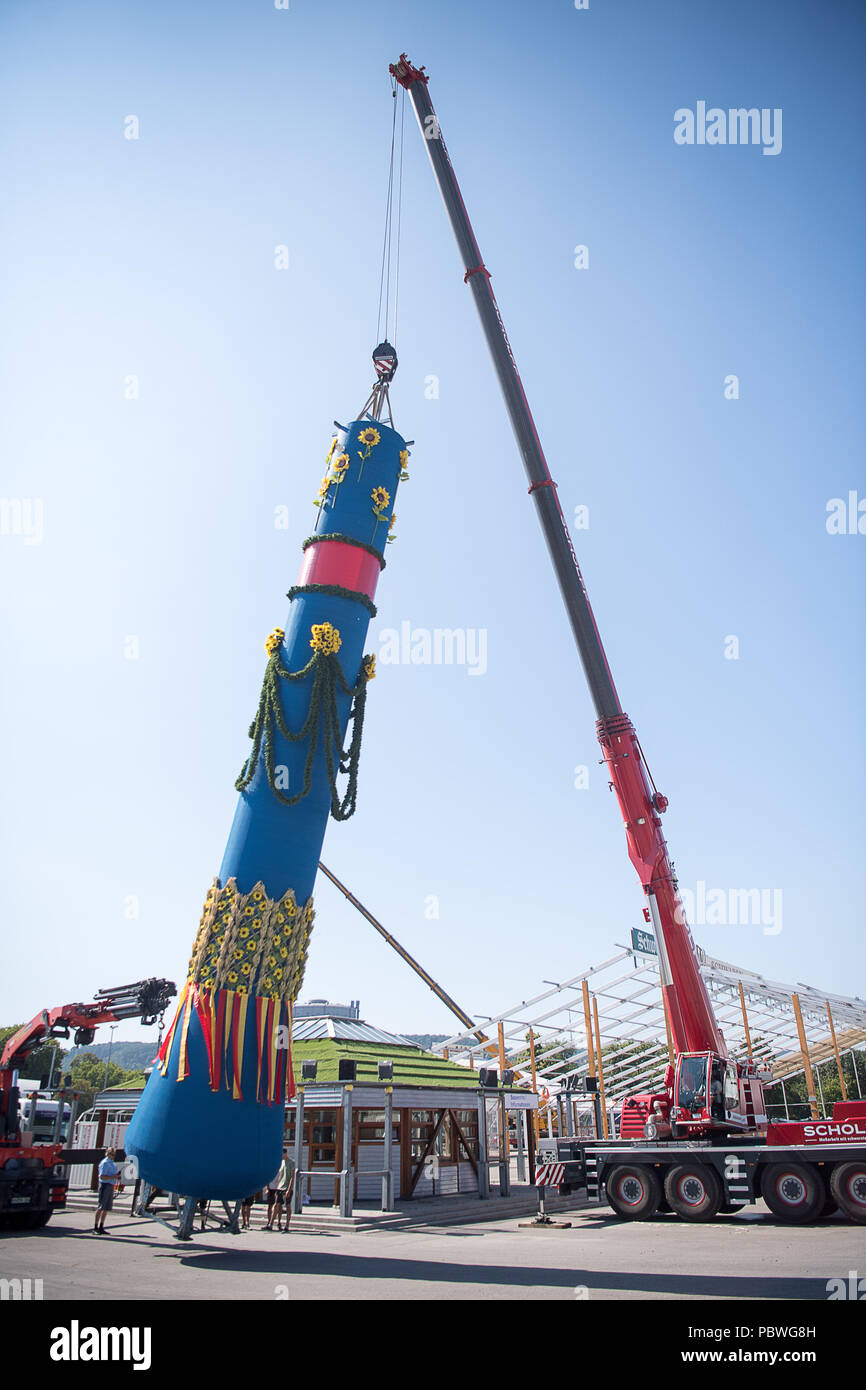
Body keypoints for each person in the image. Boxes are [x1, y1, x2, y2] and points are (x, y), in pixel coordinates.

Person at [265, 1150, 296, 1231]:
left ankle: (287, 1225)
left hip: (286, 1187)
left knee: (287, 1205)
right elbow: (280, 1175)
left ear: (285, 1153)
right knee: (276, 1205)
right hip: (280, 1187)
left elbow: (292, 1177)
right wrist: (277, 1187)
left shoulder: (291, 1162)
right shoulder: (281, 1162)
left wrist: (289, 1189)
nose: (281, 1156)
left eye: (282, 1154)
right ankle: (271, 1223)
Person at [94, 1148, 121, 1234]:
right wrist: (113, 1177)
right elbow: (102, 1177)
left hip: (111, 1185)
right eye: (111, 1154)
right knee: (101, 1206)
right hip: (105, 1185)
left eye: (114, 1154)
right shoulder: (105, 1163)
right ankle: (95, 1227)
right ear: (107, 1154)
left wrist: (116, 1176)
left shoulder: (112, 1163)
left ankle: (101, 1226)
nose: (113, 1156)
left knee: (106, 1207)